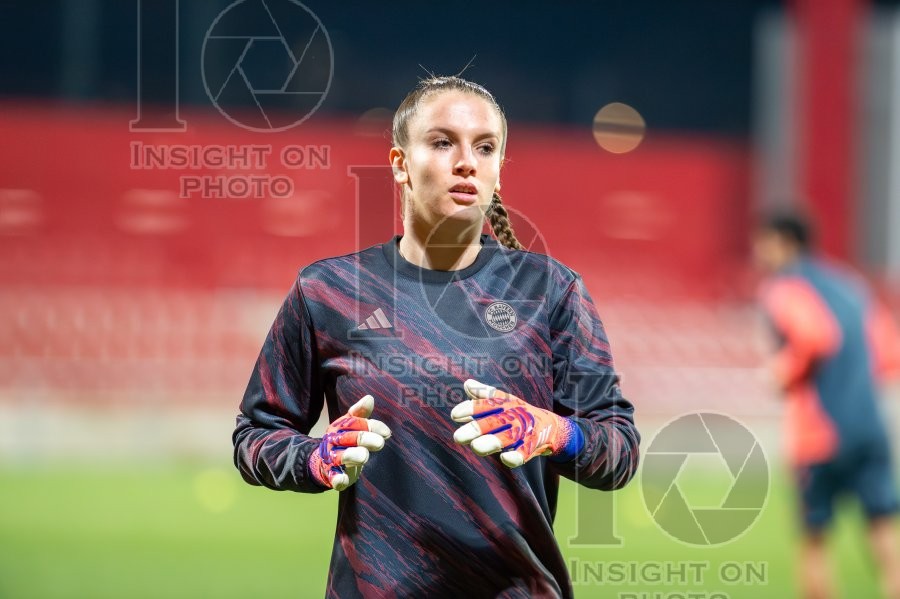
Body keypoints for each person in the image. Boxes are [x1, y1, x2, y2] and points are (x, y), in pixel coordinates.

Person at [232, 76, 640, 598]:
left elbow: (619, 448)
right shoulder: (329, 292)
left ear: (498, 170)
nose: (467, 160)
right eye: (443, 142)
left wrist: (558, 434)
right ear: (400, 163)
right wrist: (311, 459)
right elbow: (256, 433)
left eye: (486, 147)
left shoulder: (550, 291)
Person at [753, 211, 900, 599]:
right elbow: (890, 353)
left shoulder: (783, 288)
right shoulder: (850, 285)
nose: (758, 252)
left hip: (818, 432)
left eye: (762, 242)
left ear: (782, 242)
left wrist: (783, 372)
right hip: (869, 424)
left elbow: (816, 337)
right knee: (883, 529)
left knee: (813, 539)